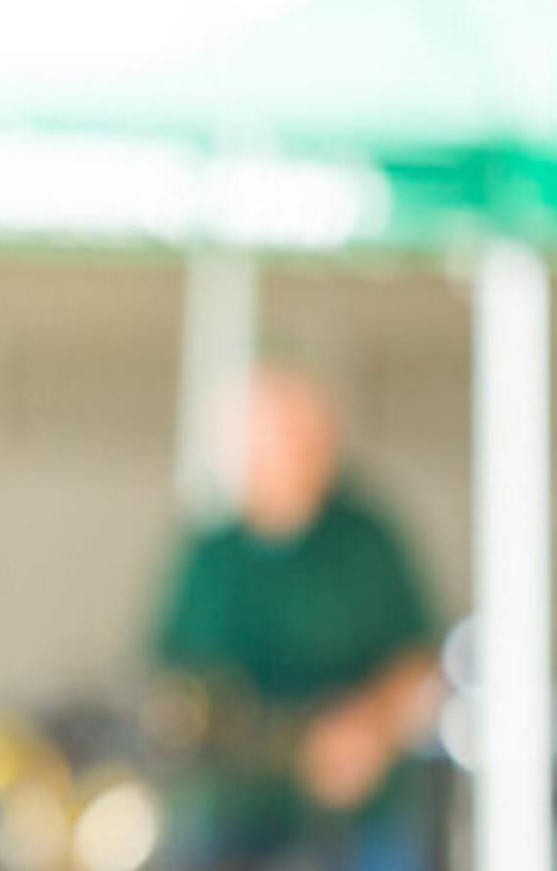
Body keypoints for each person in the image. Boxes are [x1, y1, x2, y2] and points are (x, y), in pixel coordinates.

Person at [153, 365, 441, 871]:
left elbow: (418, 660)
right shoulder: (212, 554)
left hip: (360, 814)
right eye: (263, 442)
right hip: (235, 810)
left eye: (295, 436)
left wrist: (368, 729)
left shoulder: (367, 541)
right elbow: (169, 672)